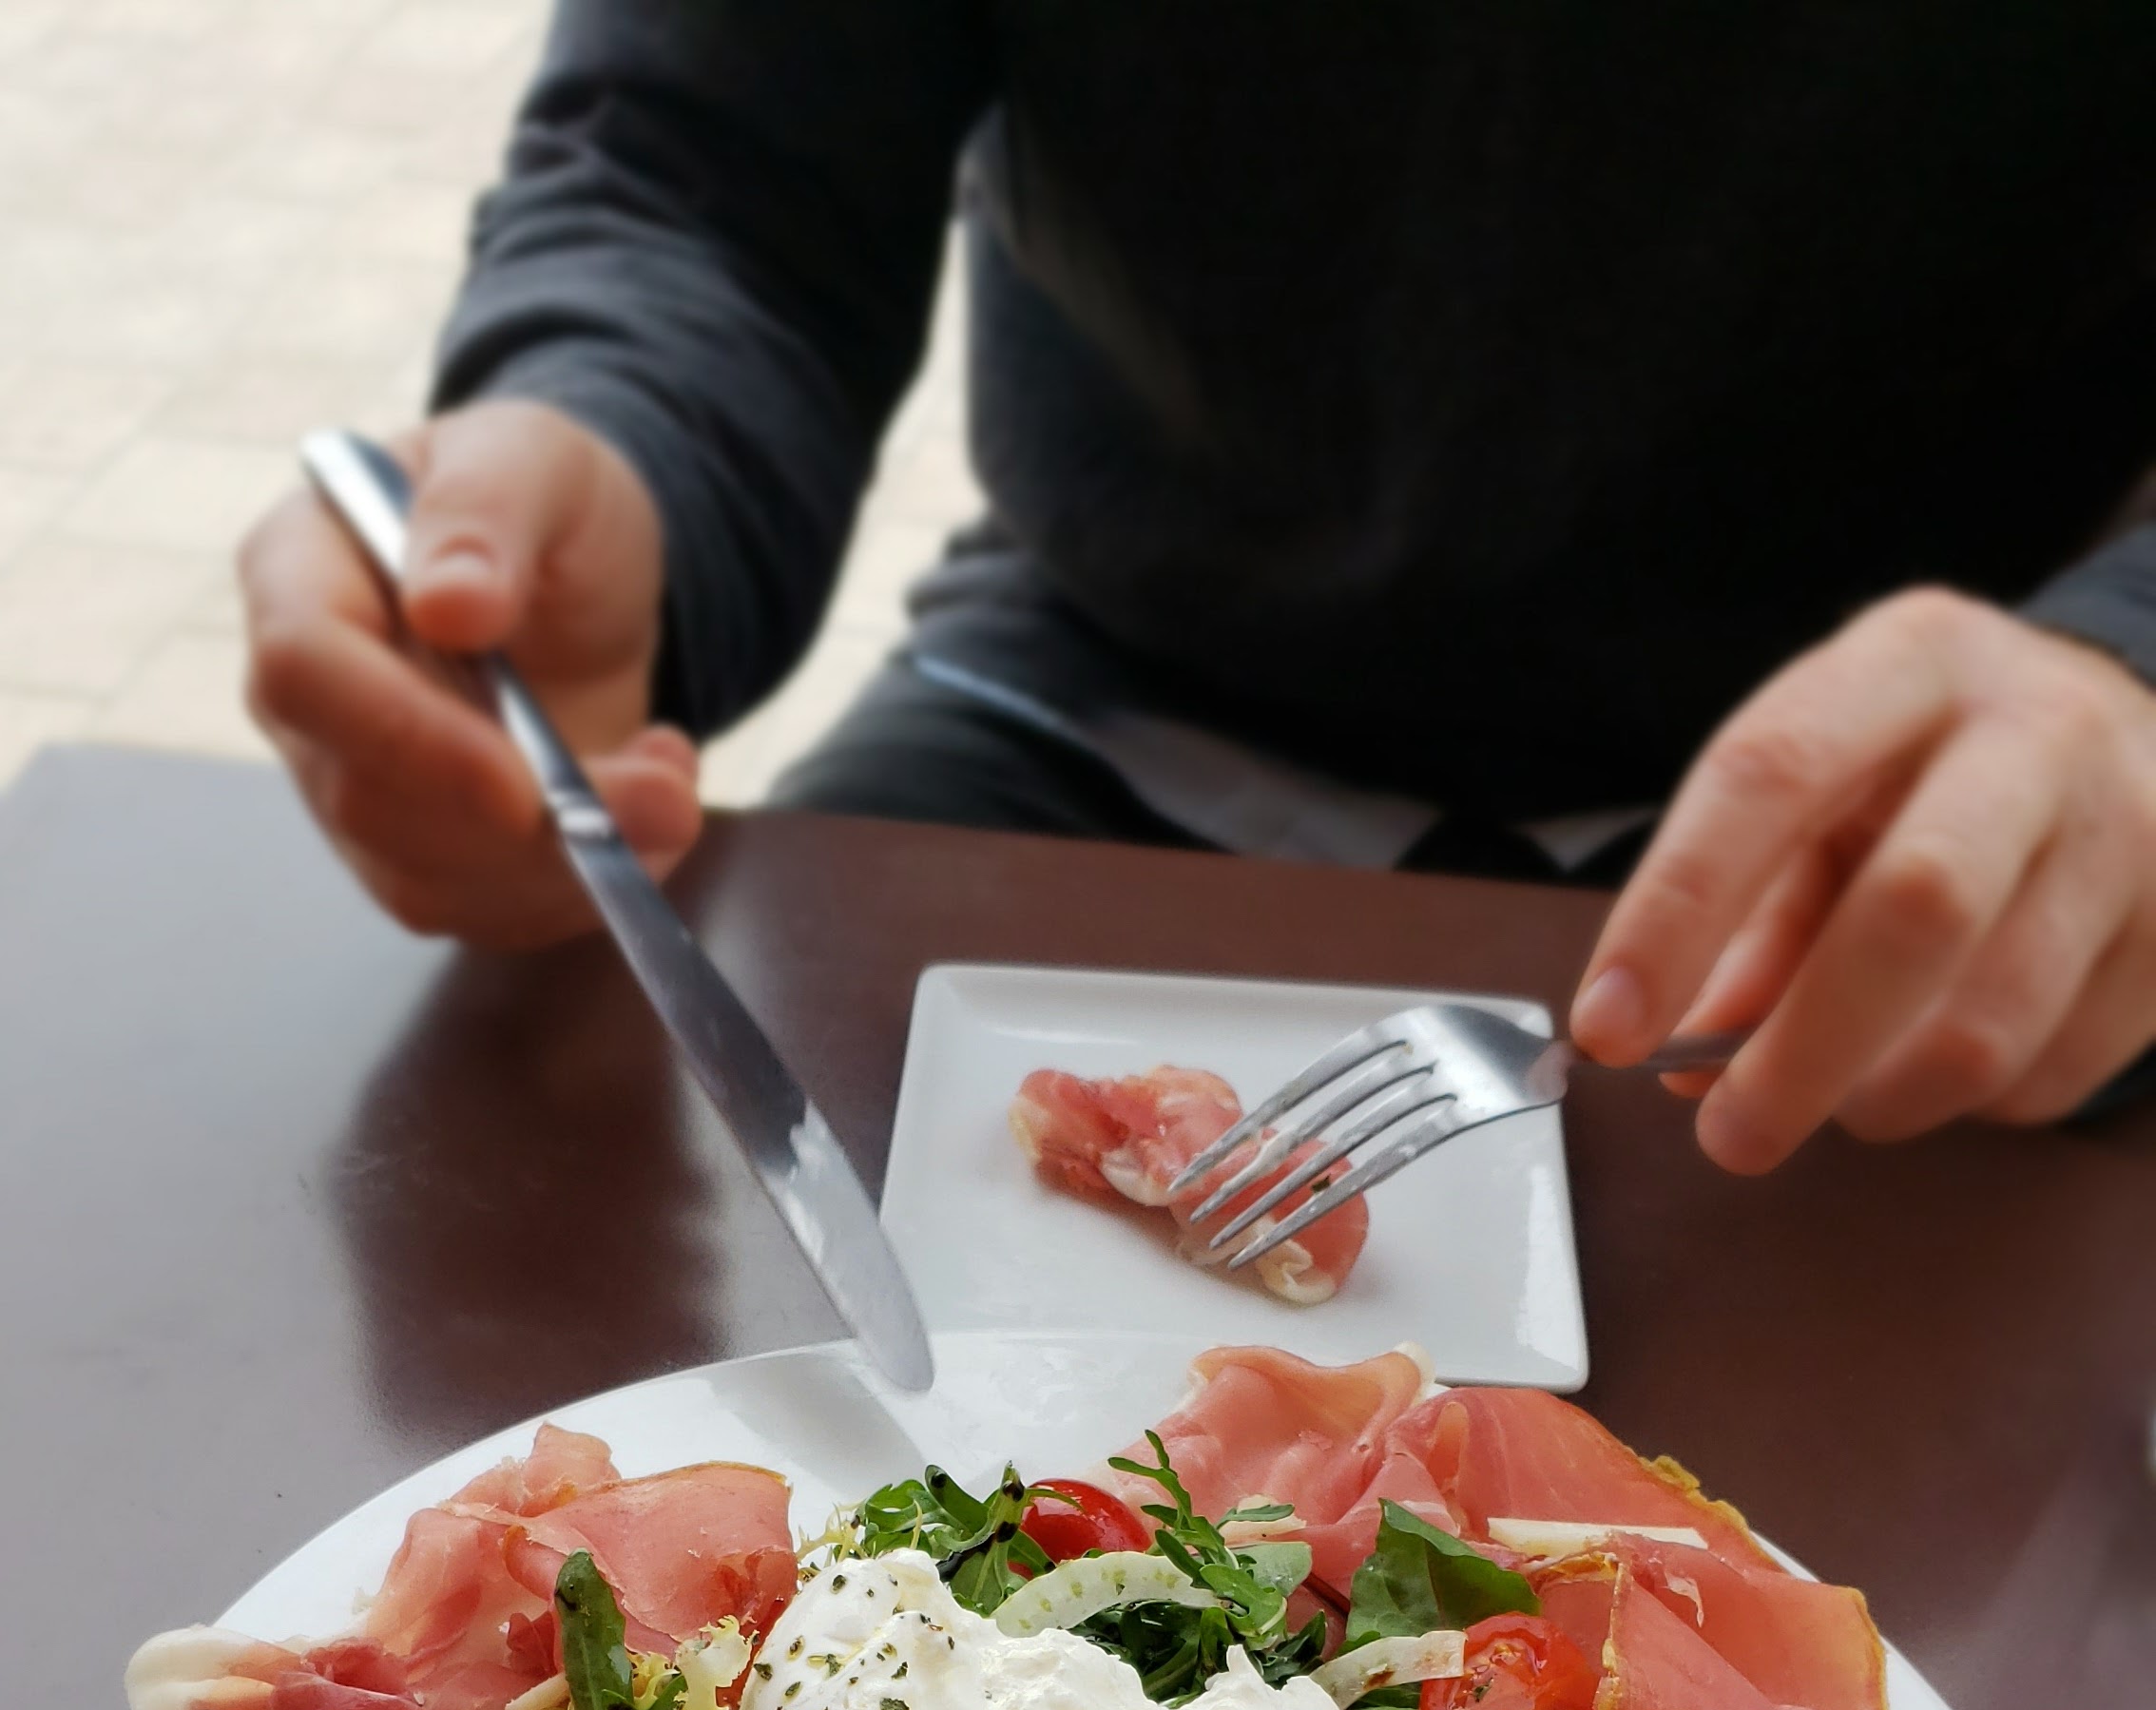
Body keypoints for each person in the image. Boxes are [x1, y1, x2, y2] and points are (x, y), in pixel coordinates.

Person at [240, 3, 2156, 1174]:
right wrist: (607, 438)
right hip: (1094, 695)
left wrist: (2125, 665)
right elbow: (705, 168)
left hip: (1937, 834)